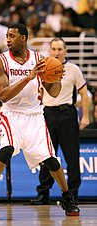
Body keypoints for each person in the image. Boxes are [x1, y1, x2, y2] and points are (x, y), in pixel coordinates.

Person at [0, 23, 80, 220]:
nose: (7, 39)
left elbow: (53, 92)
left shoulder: (39, 60)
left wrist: (56, 78)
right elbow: (3, 96)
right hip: (11, 114)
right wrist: (28, 78)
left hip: (35, 115)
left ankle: (67, 197)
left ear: (23, 37)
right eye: (7, 35)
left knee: (50, 159)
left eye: (12, 36)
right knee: (6, 151)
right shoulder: (1, 61)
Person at [30, 37, 89, 206]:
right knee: (46, 155)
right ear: (49, 50)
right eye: (53, 49)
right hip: (47, 114)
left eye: (59, 49)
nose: (56, 52)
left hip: (67, 114)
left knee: (72, 157)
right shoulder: (42, 69)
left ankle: (71, 195)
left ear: (65, 50)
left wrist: (85, 116)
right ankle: (43, 193)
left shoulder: (73, 69)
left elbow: (84, 93)